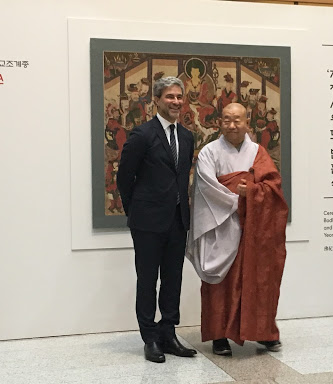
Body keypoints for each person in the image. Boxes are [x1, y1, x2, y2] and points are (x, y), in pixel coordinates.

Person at [186, 103, 288, 356]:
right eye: (227, 120)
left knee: (258, 281)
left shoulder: (257, 152)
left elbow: (273, 187)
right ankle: (219, 335)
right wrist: (240, 199)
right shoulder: (209, 152)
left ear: (247, 123)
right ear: (219, 122)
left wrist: (252, 193)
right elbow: (206, 189)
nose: (232, 125)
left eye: (238, 121)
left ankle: (262, 333)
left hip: (254, 227)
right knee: (220, 285)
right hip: (219, 225)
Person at [117, 76, 196, 364]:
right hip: (147, 222)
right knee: (148, 280)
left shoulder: (187, 137)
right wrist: (135, 211)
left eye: (179, 97)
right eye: (169, 97)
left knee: (173, 279)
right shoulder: (142, 135)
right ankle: (149, 338)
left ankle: (168, 333)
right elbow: (124, 178)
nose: (175, 102)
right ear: (157, 100)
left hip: (177, 221)